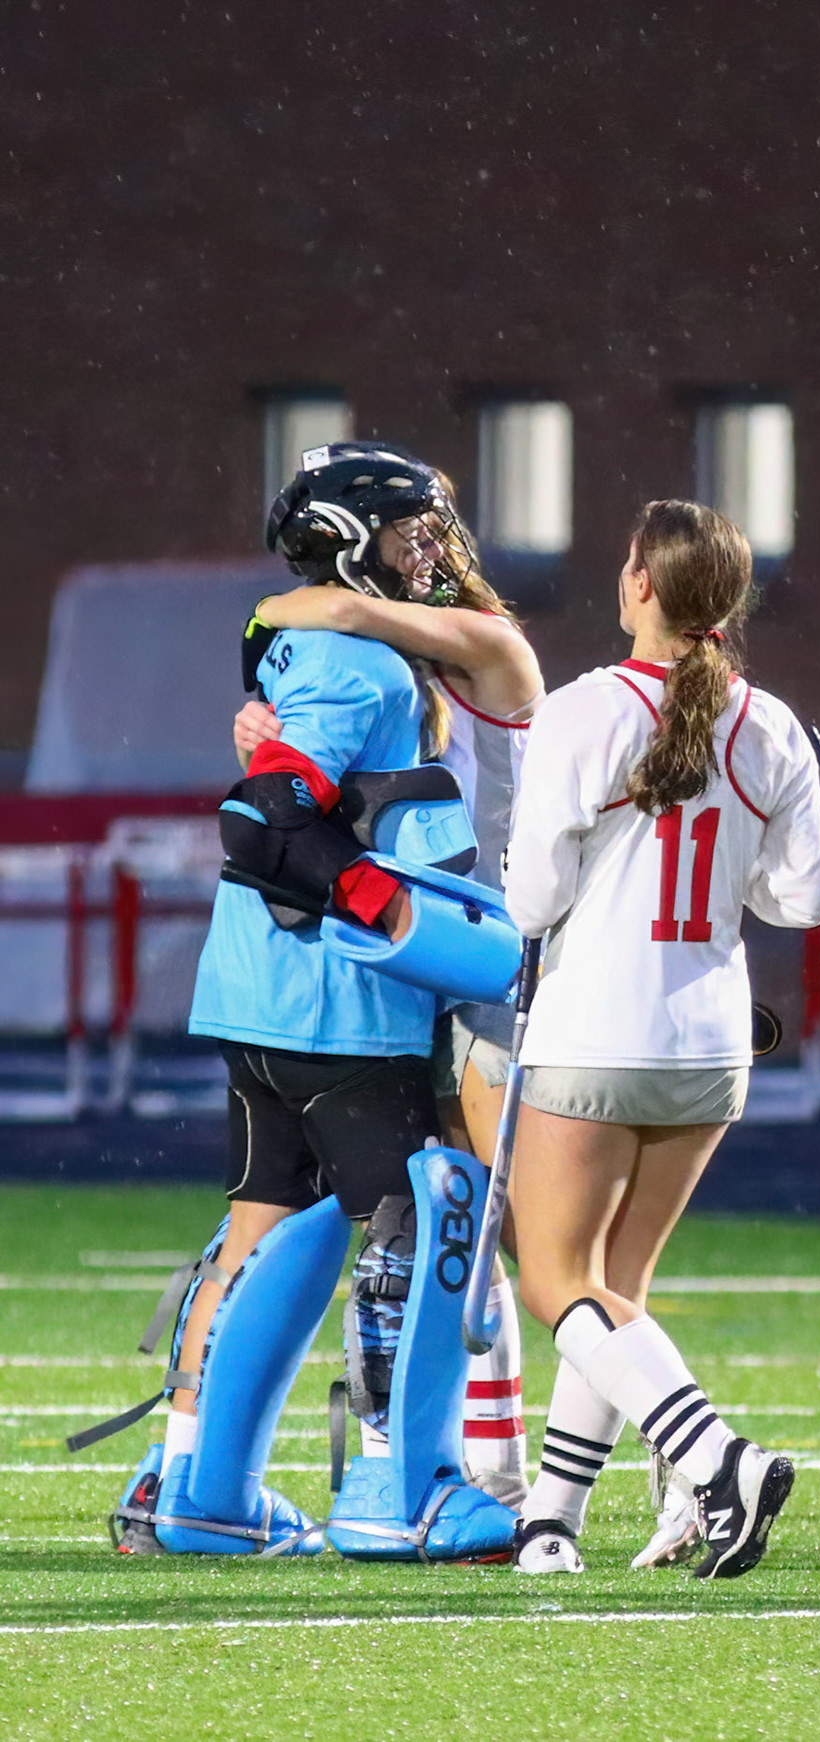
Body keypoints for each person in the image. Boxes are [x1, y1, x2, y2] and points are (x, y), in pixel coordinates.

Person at [113, 442, 519, 1561]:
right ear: (349, 543)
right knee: (423, 1218)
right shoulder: (368, 667)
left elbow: (281, 755)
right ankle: (401, 1487)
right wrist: (385, 906)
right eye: (405, 532)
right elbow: (265, 824)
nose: (427, 551)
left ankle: (198, 1489)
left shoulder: (327, 643)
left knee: (265, 1228)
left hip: (255, 992)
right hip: (344, 1000)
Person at [502, 499, 820, 1580]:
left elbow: (530, 899)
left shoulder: (581, 709)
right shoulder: (770, 723)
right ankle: (551, 1523)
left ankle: (715, 1456)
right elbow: (804, 899)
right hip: (708, 1041)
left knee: (557, 1281)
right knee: (615, 1293)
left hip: (598, 1026)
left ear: (640, 582)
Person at [232, 507, 544, 1507]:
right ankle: (492, 1467)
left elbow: (323, 611)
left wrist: (267, 624)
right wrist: (267, 719)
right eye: (409, 533)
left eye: (432, 534)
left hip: (498, 956)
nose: (428, 553)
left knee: (542, 1245)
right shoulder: (400, 672)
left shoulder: (486, 641)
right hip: (433, 965)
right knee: (470, 1227)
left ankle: (652, 1461)